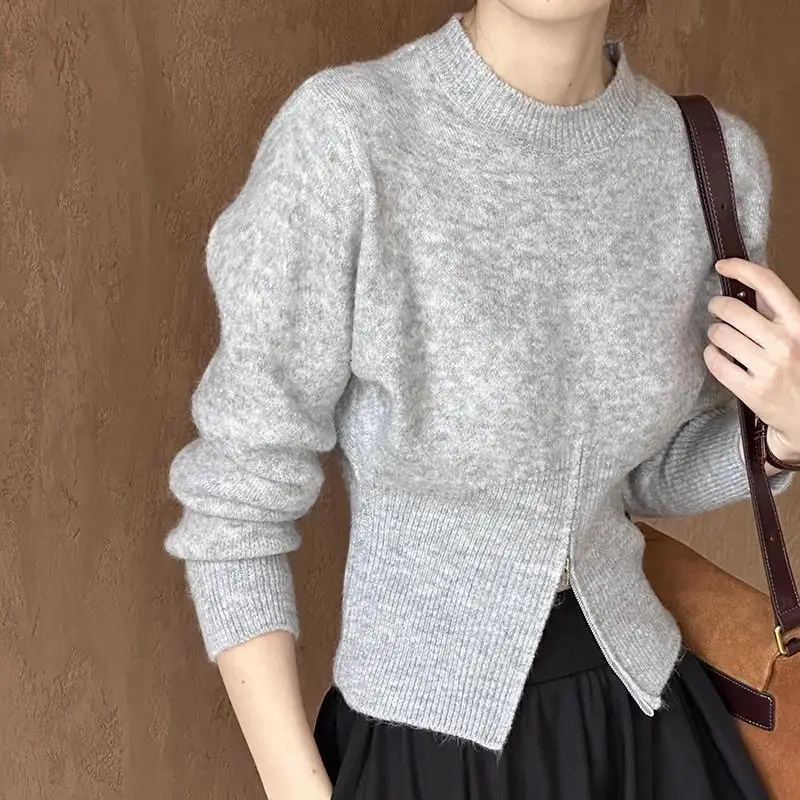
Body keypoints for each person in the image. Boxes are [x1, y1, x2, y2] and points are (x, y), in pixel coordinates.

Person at [164, 1, 800, 797]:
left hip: (643, 727)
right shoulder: (348, 136)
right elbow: (237, 501)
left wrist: (784, 434)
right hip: (422, 750)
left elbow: (640, 473)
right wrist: (297, 789)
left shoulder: (714, 165)